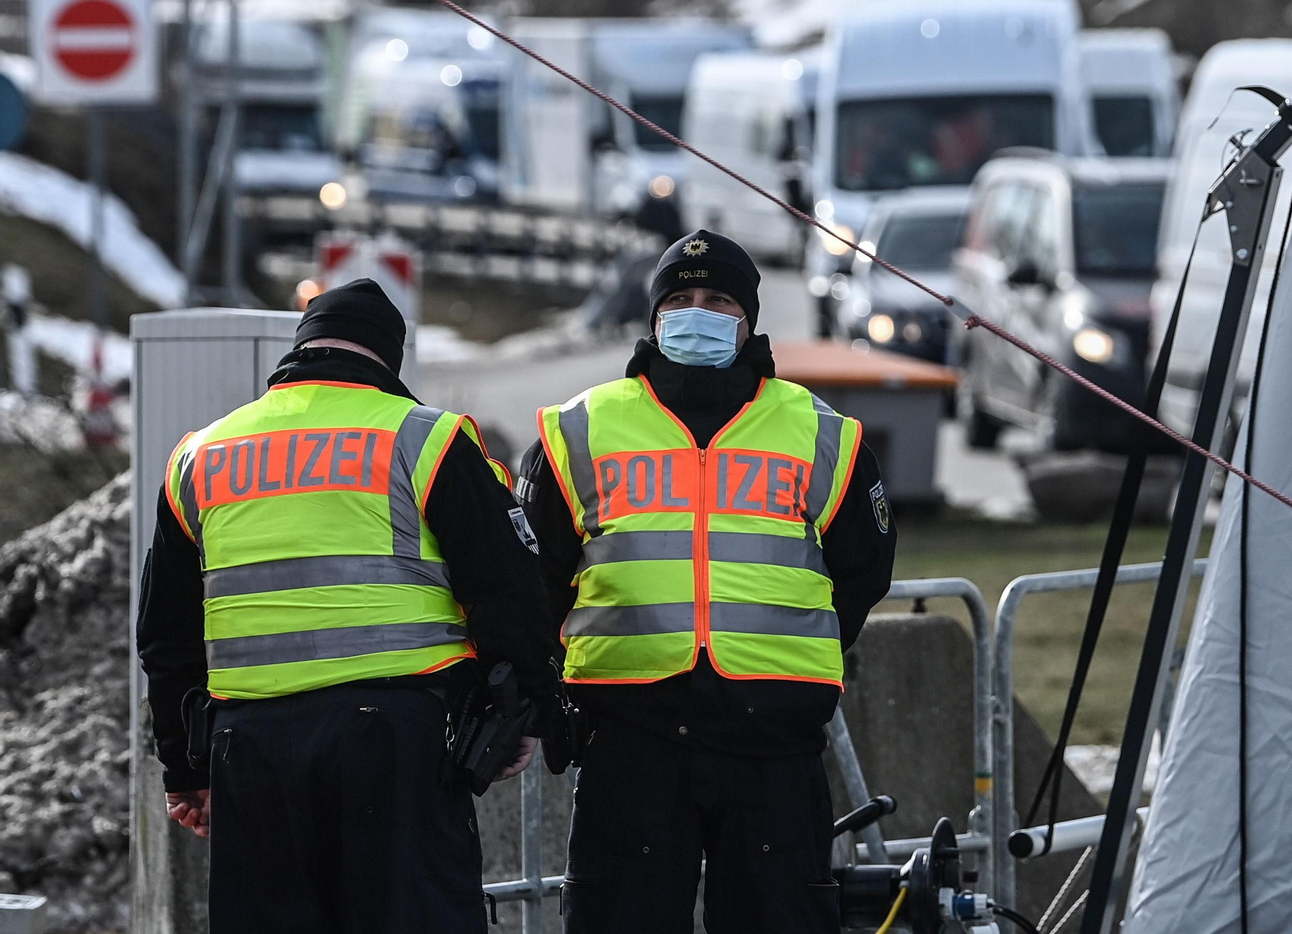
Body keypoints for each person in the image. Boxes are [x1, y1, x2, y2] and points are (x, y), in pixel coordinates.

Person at [137, 278, 562, 934]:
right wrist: (521, 711)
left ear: (301, 348)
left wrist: (185, 768)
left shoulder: (200, 455)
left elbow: (166, 634)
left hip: (248, 749)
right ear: (389, 358)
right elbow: (507, 591)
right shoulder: (424, 438)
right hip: (395, 744)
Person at [518, 230, 897, 934]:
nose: (697, 313)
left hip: (773, 743)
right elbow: (534, 578)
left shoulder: (822, 432)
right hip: (631, 736)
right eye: (681, 299)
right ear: (654, 316)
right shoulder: (579, 429)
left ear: (749, 318)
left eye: (718, 300)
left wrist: (784, 661)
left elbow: (864, 572)